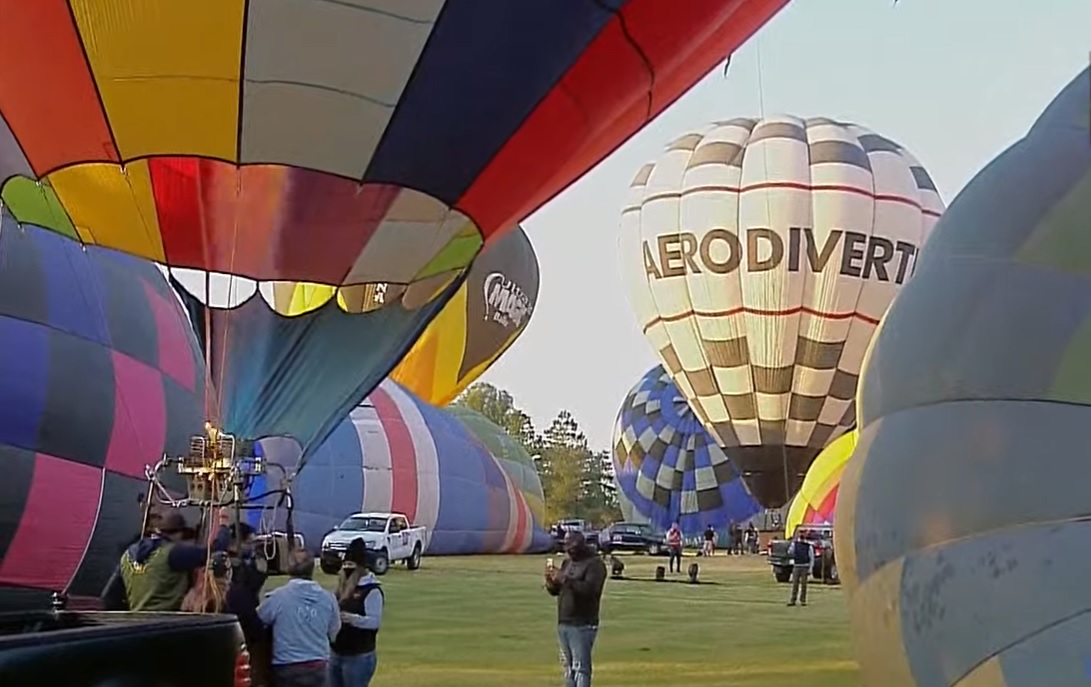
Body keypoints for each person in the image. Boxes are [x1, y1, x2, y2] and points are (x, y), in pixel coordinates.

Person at [114, 509, 230, 612]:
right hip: (167, 627)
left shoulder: (128, 555)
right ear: (178, 533)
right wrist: (223, 524)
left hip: (137, 625)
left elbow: (111, 596)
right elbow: (214, 550)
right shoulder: (173, 554)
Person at [258, 550, 341, 687]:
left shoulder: (278, 598)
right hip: (318, 665)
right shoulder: (328, 599)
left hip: (287, 666)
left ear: (289, 568)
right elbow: (334, 633)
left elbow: (258, 621)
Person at [544, 531, 607, 687]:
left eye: (570, 545)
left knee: (580, 668)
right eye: (565, 545)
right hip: (564, 622)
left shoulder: (595, 564)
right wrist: (551, 581)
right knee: (568, 668)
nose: (567, 549)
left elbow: (590, 590)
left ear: (579, 545)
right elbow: (556, 591)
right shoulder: (567, 563)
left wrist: (564, 579)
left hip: (583, 624)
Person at [329, 539, 384, 687]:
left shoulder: (371, 591)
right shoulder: (340, 590)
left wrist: (352, 619)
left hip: (358, 656)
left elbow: (374, 622)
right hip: (336, 653)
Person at [786, 529, 815, 607]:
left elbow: (811, 558)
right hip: (797, 565)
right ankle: (793, 600)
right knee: (795, 584)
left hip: (805, 566)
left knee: (803, 585)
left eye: (803, 533)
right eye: (800, 533)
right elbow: (790, 552)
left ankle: (803, 600)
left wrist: (810, 569)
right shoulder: (795, 544)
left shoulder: (808, 546)